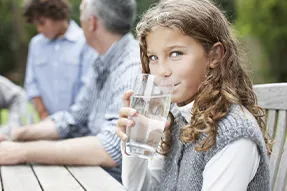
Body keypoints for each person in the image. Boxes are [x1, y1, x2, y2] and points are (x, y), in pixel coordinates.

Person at [116, 0, 271, 190]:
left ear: (214, 56)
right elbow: (143, 188)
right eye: (153, 57)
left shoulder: (234, 134)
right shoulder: (177, 117)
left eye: (175, 54)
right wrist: (135, 140)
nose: (161, 71)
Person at [0, 0, 140, 182]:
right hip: (93, 171)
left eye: (81, 13)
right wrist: (18, 133)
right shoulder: (101, 62)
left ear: (92, 23)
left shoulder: (131, 67)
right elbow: (74, 119)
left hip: (114, 180)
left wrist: (22, 151)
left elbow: (111, 149)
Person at [23, 0, 97, 119]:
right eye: (35, 24)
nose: (39, 29)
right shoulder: (36, 44)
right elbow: (32, 85)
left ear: (57, 15)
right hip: (46, 124)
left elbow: (88, 86)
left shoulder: (84, 42)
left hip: (80, 124)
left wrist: (69, 122)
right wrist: (45, 117)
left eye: (42, 23)